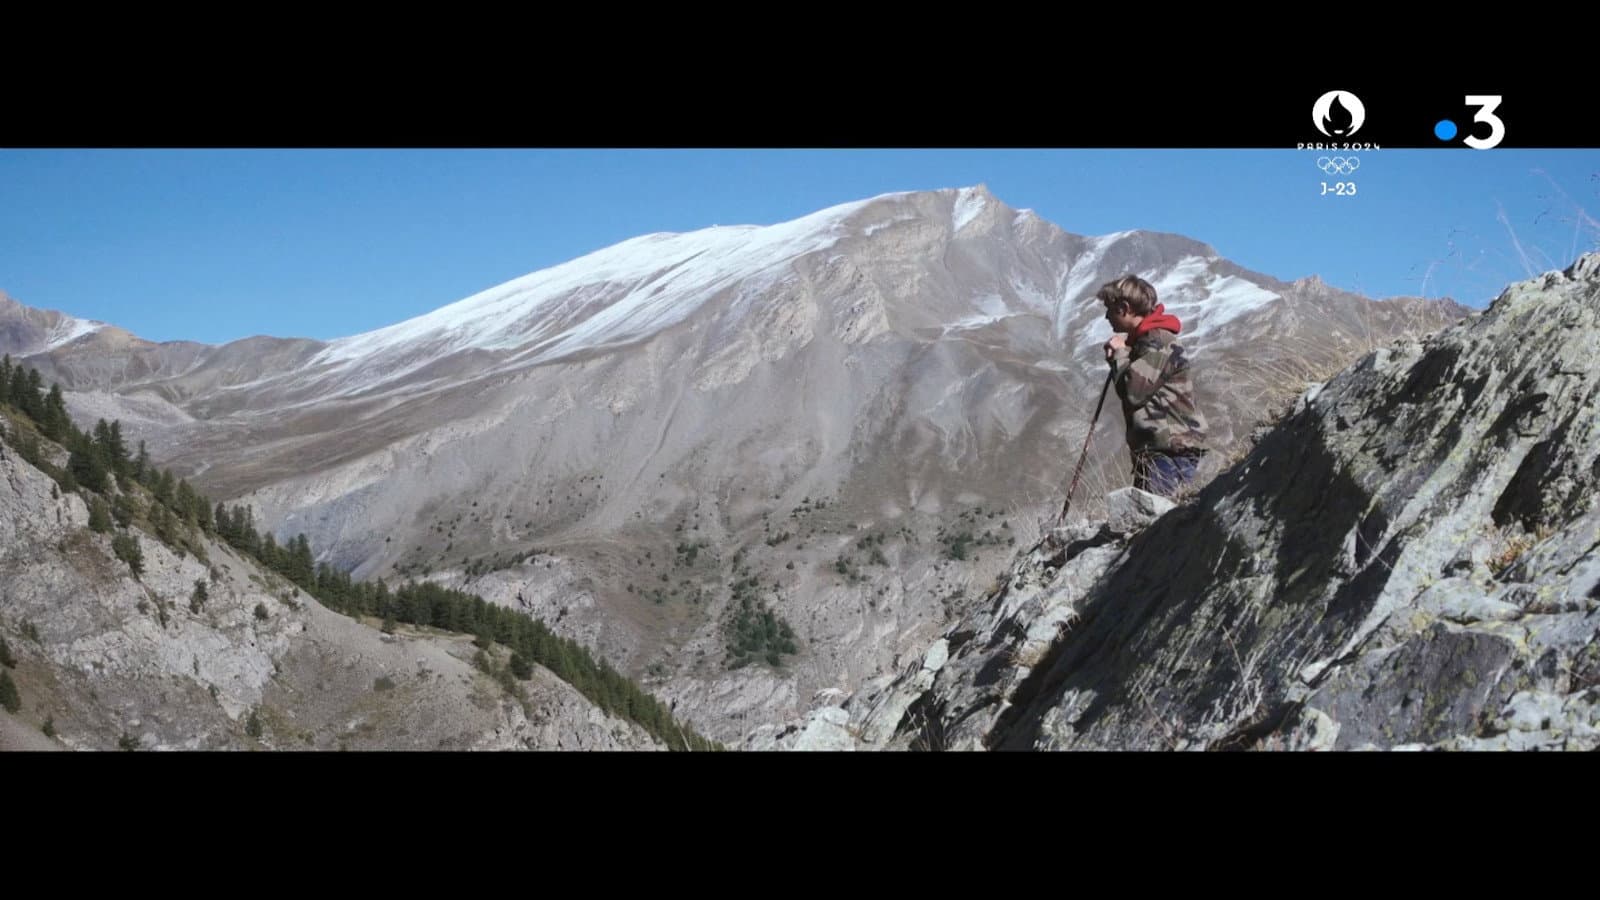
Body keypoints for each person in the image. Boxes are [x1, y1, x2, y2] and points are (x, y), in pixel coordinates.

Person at [1096, 274, 1209, 497]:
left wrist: (1119, 354)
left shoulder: (1158, 342)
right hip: (1157, 449)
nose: (1107, 316)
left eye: (1110, 308)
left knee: (1161, 519)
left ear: (1125, 308)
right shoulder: (1144, 342)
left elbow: (1134, 393)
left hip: (1170, 450)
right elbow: (1129, 391)